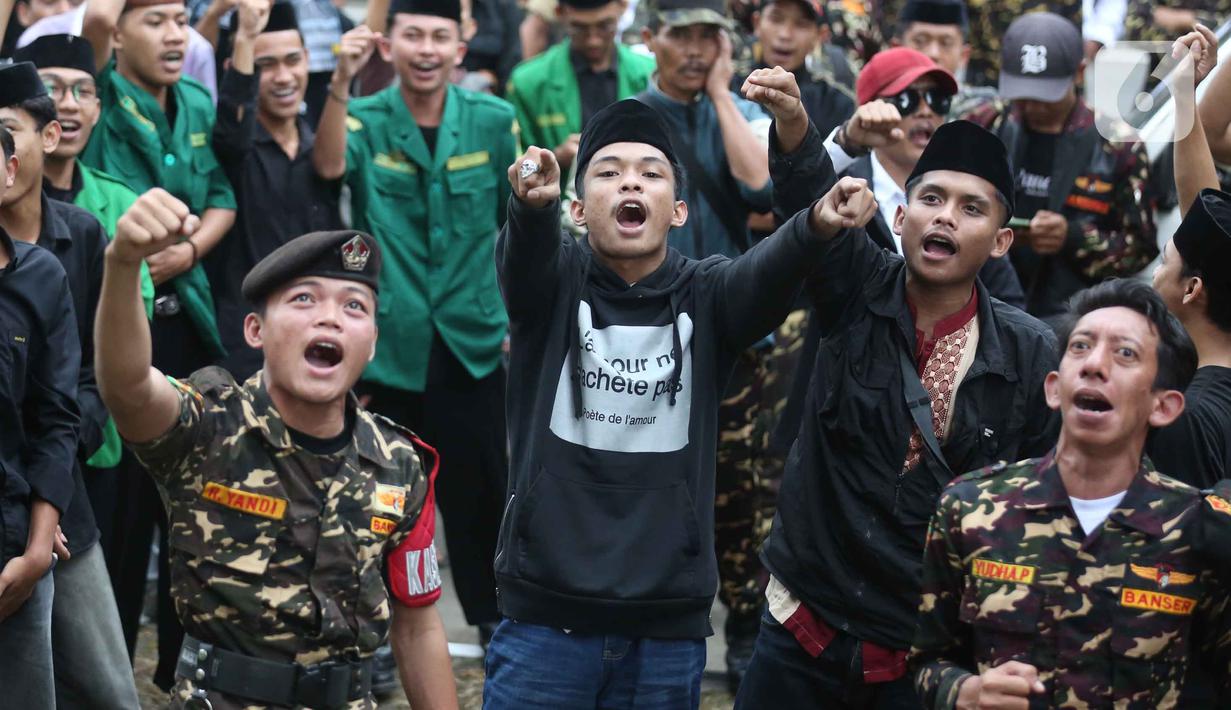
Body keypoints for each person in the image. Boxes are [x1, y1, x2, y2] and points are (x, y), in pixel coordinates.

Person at [485, 95, 879, 708]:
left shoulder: (710, 293)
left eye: (651, 172)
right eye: (608, 173)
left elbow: (769, 270)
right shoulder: (551, 284)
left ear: (678, 211)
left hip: (666, 631)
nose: (630, 182)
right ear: (579, 210)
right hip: (544, 621)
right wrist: (529, 209)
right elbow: (523, 261)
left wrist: (817, 222)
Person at [733, 115, 1060, 707]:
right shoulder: (855, 283)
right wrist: (794, 123)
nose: (945, 217)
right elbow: (809, 194)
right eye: (931, 199)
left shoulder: (1032, 354)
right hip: (803, 627)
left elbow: (1037, 512)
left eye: (971, 208)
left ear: (1002, 240)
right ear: (902, 217)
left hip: (924, 655)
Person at [95, 198, 460, 708]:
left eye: (354, 305)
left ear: (372, 342)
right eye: (304, 299)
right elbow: (128, 387)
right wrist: (123, 262)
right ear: (255, 331)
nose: (330, 318)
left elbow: (418, 624)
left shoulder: (401, 464)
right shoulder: (206, 426)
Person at [909, 278, 1231, 709]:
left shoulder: (1199, 530)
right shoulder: (970, 507)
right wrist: (963, 692)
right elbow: (926, 662)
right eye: (1080, 347)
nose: (1095, 365)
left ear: (1164, 406)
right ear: (1054, 387)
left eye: (1125, 354)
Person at [314, 0, 518, 646]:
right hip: (393, 344)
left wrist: (514, 313)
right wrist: (339, 84)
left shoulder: (493, 120)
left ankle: (497, 630)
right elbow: (325, 167)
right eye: (413, 36)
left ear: (462, 47)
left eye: (440, 37)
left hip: (473, 340)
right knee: (376, 497)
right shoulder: (366, 118)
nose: (426, 50)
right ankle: (367, 634)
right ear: (388, 44)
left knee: (482, 498)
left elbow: (514, 224)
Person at [81, 0, 236, 687]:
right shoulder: (97, 99)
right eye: (154, 20)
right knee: (121, 513)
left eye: (181, 18)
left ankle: (183, 674)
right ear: (116, 34)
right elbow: (88, 31)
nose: (174, 35)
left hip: (188, 323)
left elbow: (224, 196)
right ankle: (103, 672)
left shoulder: (198, 102)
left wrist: (189, 250)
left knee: (194, 511)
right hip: (121, 328)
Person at [0, 60, 141, 710]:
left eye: (7, 131)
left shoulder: (80, 236)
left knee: (107, 684)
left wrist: (44, 498)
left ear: (44, 138)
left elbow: (90, 378)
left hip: (62, 492)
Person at [960, 12, 1159, 327]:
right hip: (979, 308)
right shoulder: (984, 125)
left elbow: (1141, 249)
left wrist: (1073, 237)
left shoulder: (1118, 146)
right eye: (1022, 96)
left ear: (1079, 74)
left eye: (1046, 97)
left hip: (1072, 321)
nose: (1034, 107)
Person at [213, 0, 343, 380]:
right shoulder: (232, 147)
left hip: (319, 341)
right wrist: (247, 36)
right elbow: (232, 126)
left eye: (292, 60)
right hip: (247, 344)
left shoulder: (317, 144)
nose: (283, 76)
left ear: (307, 59)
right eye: (265, 66)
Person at [0, 123, 79, 710]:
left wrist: (37, 548)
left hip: (13, 553)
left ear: (10, 171)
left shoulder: (40, 275)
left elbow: (56, 418)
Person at [636, 0, 771, 260]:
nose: (695, 51)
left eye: (707, 37)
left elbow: (762, 186)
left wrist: (721, 94)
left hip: (727, 285)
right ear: (649, 38)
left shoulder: (744, 113)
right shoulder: (627, 118)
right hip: (652, 292)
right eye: (679, 35)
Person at [505, 0, 655, 175]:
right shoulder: (528, 83)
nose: (593, 41)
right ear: (560, 13)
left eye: (604, 26)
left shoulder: (650, 76)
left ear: (622, 7)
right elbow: (512, 170)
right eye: (579, 28)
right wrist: (552, 160)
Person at [733, 0, 853, 144]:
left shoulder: (835, 102)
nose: (785, 35)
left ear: (820, 35)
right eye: (776, 19)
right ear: (757, 23)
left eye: (801, 24)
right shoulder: (728, 88)